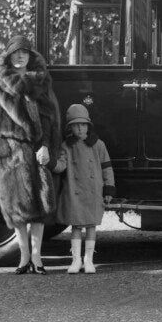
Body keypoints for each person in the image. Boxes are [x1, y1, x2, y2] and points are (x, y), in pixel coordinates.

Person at [0, 35, 61, 275]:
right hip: (12, 155)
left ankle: (37, 259)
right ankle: (23, 258)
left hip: (39, 152)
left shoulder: (42, 81)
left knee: (40, 209)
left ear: (30, 56)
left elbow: (50, 118)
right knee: (18, 212)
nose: (20, 57)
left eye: (25, 53)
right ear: (8, 56)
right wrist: (8, 151)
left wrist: (47, 147)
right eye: (16, 53)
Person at [52, 103, 116, 274]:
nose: (80, 129)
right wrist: (50, 163)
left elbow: (107, 168)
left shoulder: (98, 145)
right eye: (75, 125)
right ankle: (76, 260)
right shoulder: (66, 146)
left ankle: (89, 259)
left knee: (91, 226)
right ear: (70, 128)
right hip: (75, 191)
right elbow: (62, 166)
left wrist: (109, 189)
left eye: (83, 124)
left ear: (88, 125)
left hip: (94, 190)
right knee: (76, 225)